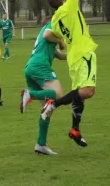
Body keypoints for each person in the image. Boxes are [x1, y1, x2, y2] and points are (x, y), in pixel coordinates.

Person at [40, 0, 99, 148]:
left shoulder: (55, 19)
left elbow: (47, 34)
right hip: (83, 52)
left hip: (73, 58)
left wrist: (60, 42)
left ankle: (75, 130)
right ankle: (53, 104)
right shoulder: (70, 5)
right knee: (88, 91)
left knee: (79, 94)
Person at [20, 16, 67, 155]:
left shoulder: (46, 39)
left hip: (30, 68)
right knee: (58, 95)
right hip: (40, 66)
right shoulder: (51, 26)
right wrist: (60, 40)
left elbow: (59, 55)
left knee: (48, 108)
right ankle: (30, 95)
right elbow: (48, 35)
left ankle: (41, 144)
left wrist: (75, 55)